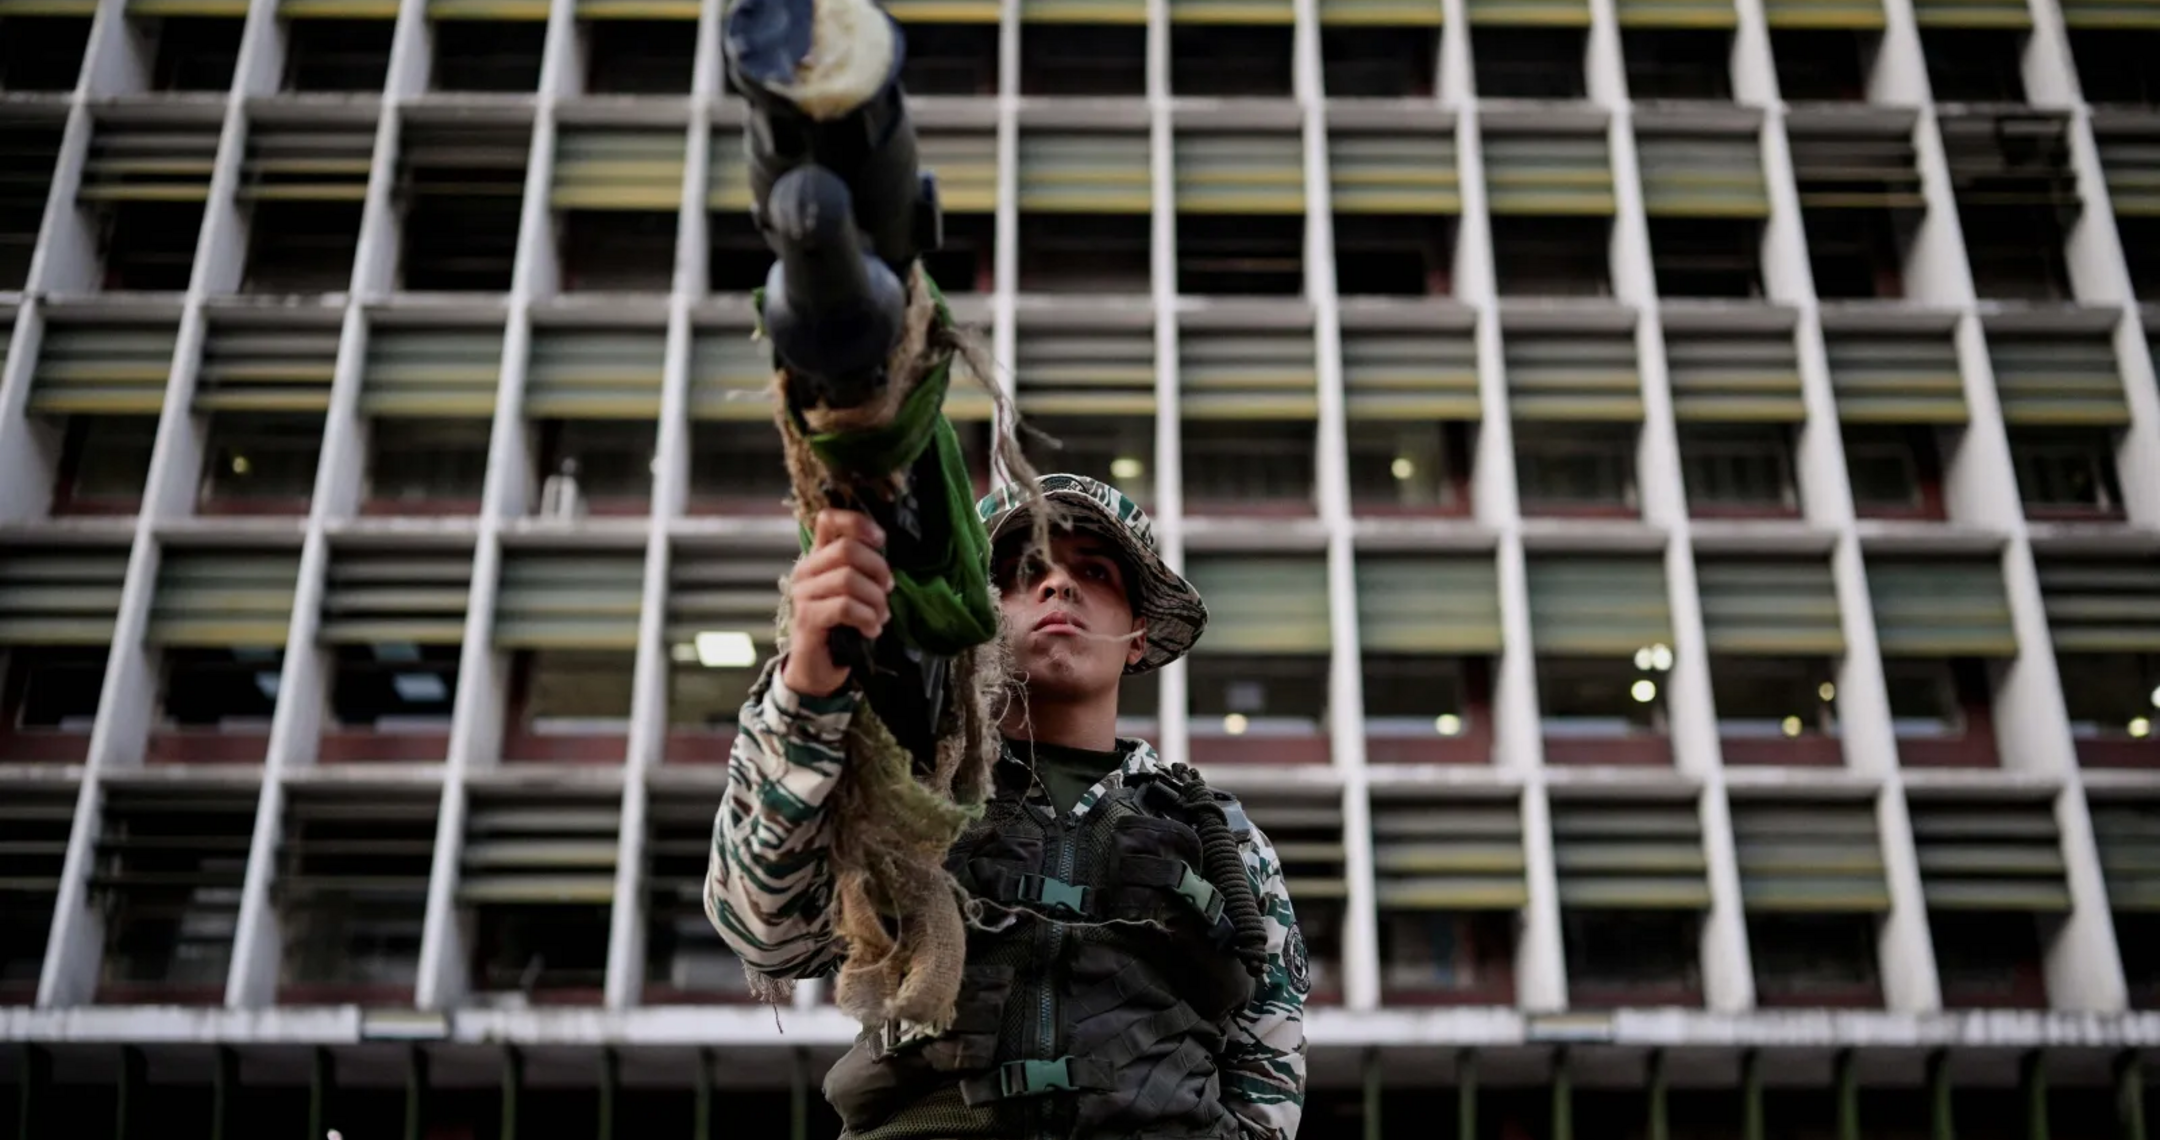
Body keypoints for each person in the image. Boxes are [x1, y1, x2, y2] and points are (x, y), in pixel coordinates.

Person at [706, 472, 1310, 1139]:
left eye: (1096, 571)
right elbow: (766, 932)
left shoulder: (1218, 834)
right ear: (981, 616)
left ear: (1138, 634)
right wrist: (806, 693)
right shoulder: (909, 792)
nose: (1060, 586)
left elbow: (1266, 1059)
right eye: (1025, 571)